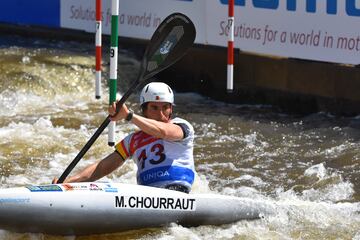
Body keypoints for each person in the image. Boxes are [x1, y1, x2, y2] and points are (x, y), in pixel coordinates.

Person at [53, 82, 196, 193]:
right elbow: (101, 168)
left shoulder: (182, 126)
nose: (161, 114)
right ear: (144, 110)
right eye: (154, 108)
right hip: (148, 195)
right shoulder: (132, 141)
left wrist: (128, 116)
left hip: (177, 191)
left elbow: (163, 132)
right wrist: (69, 182)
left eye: (165, 107)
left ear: (171, 108)